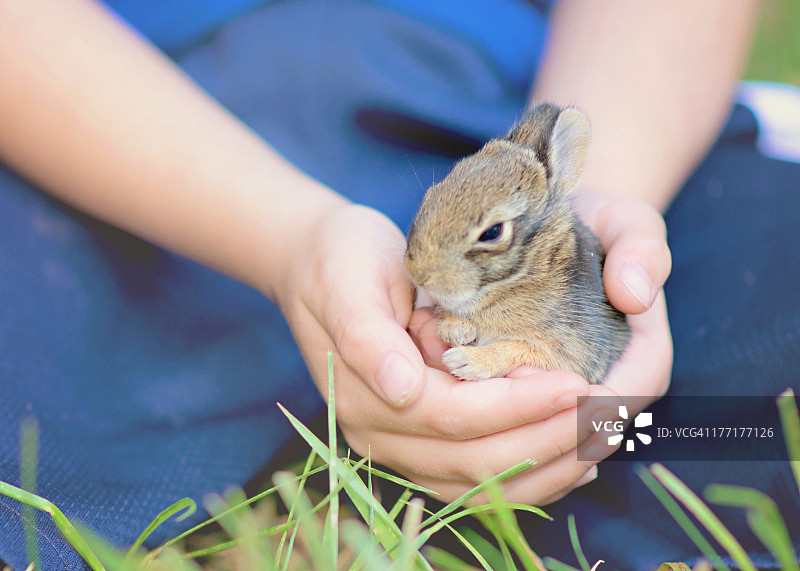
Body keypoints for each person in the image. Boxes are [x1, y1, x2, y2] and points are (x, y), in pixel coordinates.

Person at [0, 0, 797, 569]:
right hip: (132, 132)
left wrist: (611, 208)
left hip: (496, 86)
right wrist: (291, 242)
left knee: (760, 387)